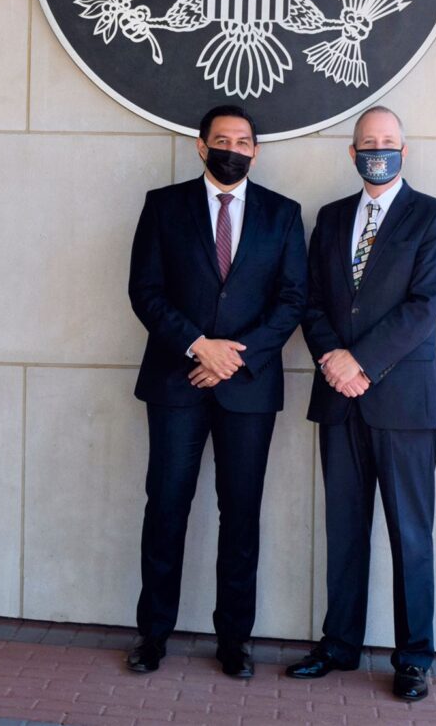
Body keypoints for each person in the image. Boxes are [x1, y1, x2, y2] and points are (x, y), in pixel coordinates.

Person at [127, 105, 307, 679]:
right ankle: (153, 634)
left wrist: (232, 358)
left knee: (242, 514)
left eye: (243, 141)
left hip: (247, 388)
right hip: (175, 381)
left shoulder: (283, 214)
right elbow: (145, 290)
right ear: (202, 146)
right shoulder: (163, 206)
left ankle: (235, 640)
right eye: (222, 140)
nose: (234, 149)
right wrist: (197, 345)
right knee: (166, 507)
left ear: (256, 151)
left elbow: (292, 300)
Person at [286, 105, 436, 702]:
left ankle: (413, 658)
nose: (376, 149)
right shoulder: (330, 218)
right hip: (339, 400)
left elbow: (424, 306)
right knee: (344, 530)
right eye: (367, 141)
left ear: (403, 151)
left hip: (403, 402)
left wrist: (359, 362)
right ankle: (338, 645)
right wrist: (333, 360)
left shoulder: (433, 217)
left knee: (411, 534)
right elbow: (310, 302)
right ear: (352, 151)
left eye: (387, 141)